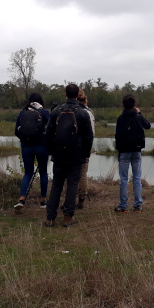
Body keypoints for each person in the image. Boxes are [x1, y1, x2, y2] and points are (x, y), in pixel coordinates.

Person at [43, 84, 94, 227]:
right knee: (72, 186)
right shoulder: (83, 113)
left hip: (59, 155)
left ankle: (50, 218)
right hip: (76, 155)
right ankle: (68, 217)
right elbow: (89, 137)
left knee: (56, 186)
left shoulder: (56, 111)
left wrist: (51, 151)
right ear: (77, 94)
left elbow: (48, 134)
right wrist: (85, 153)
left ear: (65, 94)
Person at [114, 94, 151, 213]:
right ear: (134, 105)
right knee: (136, 178)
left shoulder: (121, 118)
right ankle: (138, 205)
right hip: (137, 150)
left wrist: (119, 150)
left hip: (124, 151)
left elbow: (117, 136)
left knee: (123, 179)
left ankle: (123, 205)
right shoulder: (138, 117)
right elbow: (148, 126)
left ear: (123, 106)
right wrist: (139, 113)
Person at [14, 92, 50, 209]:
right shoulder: (44, 112)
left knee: (28, 173)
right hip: (41, 147)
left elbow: (16, 131)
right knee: (43, 173)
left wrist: (25, 140)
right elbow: (51, 127)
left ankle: (21, 199)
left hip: (26, 147)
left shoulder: (23, 112)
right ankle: (43, 201)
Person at [75, 90, 96, 209]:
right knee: (83, 175)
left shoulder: (76, 112)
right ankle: (81, 199)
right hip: (86, 147)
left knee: (71, 175)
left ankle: (70, 199)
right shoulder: (90, 112)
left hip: (75, 147)